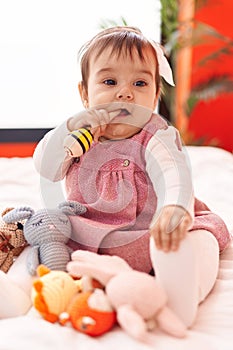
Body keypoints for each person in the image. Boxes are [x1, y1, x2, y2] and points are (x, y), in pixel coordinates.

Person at [1, 27, 231, 328]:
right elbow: (46, 166)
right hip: (87, 237)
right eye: (110, 81)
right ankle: (16, 294)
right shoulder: (78, 135)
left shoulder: (157, 137)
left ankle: (180, 297)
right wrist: (68, 132)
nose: (125, 92)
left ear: (154, 96)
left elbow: (174, 176)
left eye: (140, 82)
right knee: (42, 243)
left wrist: (174, 209)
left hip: (154, 230)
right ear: (85, 93)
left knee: (199, 240)